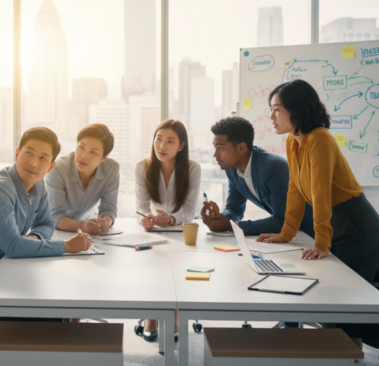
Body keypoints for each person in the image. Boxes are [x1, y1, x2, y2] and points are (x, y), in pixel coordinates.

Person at [256, 79, 379, 281]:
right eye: (271, 109)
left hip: (356, 226)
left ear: (297, 109)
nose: (271, 116)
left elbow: (320, 194)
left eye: (277, 109)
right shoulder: (293, 139)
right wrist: (286, 234)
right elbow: (295, 190)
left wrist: (321, 243)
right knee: (330, 289)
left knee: (347, 295)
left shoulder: (319, 138)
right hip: (337, 223)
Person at [0, 126, 94, 281]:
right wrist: (67, 246)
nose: (33, 163)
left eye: (43, 158)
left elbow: (47, 222)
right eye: (29, 153)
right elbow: (13, 247)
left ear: (51, 167)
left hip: (2, 268)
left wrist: (34, 237)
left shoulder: (38, 183)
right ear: (17, 153)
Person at [134, 119, 200, 342]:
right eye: (158, 139)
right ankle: (152, 316)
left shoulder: (192, 168)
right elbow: (141, 207)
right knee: (153, 271)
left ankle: (176, 312)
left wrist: (171, 219)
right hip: (154, 232)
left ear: (181, 145)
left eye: (170, 141)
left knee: (179, 275)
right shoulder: (142, 167)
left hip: (181, 232)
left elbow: (190, 210)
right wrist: (145, 220)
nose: (162, 146)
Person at [200, 116, 315, 237]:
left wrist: (231, 226)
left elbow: (282, 220)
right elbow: (234, 209)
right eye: (215, 148)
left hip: (314, 233)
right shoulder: (232, 169)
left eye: (220, 148)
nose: (215, 154)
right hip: (291, 237)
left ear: (241, 148)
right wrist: (220, 219)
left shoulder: (275, 167)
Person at [46, 123, 120, 236]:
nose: (83, 156)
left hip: (88, 234)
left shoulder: (111, 169)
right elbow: (55, 216)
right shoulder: (58, 169)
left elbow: (109, 208)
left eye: (93, 152)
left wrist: (105, 223)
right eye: (81, 147)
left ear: (104, 157)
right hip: (55, 232)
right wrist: (85, 226)